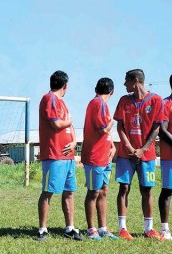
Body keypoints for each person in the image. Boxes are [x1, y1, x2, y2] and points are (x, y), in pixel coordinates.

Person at [114, 69, 163, 240]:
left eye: (126, 81)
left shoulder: (156, 100)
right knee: (124, 188)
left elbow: (157, 127)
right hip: (125, 154)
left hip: (146, 154)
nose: (124, 84)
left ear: (135, 81)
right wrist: (128, 146)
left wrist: (143, 149)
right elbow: (119, 126)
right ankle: (122, 229)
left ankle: (149, 229)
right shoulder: (124, 100)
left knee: (147, 189)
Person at [35, 70, 83, 241]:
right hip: (54, 155)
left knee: (69, 192)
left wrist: (74, 142)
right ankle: (42, 229)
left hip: (68, 157)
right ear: (65, 86)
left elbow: (70, 127)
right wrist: (70, 121)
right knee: (48, 191)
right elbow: (56, 124)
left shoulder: (62, 103)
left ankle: (69, 228)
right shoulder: (49, 99)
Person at [81, 78, 118, 240]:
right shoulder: (98, 104)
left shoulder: (100, 104)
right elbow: (104, 129)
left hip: (105, 156)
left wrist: (112, 145)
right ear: (112, 91)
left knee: (103, 191)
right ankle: (92, 229)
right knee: (93, 192)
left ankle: (103, 228)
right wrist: (113, 122)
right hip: (94, 157)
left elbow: (104, 134)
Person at [158, 72, 172, 241]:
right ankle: (165, 229)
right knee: (168, 191)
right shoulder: (166, 104)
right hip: (170, 156)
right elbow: (162, 130)